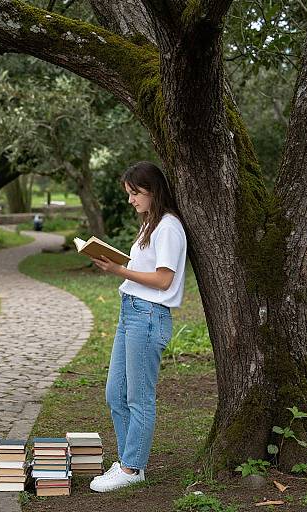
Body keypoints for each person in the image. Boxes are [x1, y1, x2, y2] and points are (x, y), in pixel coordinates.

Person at [89, 161, 187, 493]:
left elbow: (163, 279)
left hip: (148, 316)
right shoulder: (150, 225)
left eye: (135, 193)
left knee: (139, 397)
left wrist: (118, 270)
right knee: (115, 393)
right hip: (130, 312)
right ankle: (129, 462)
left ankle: (133, 468)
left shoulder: (169, 227)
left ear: (152, 191)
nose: (131, 200)